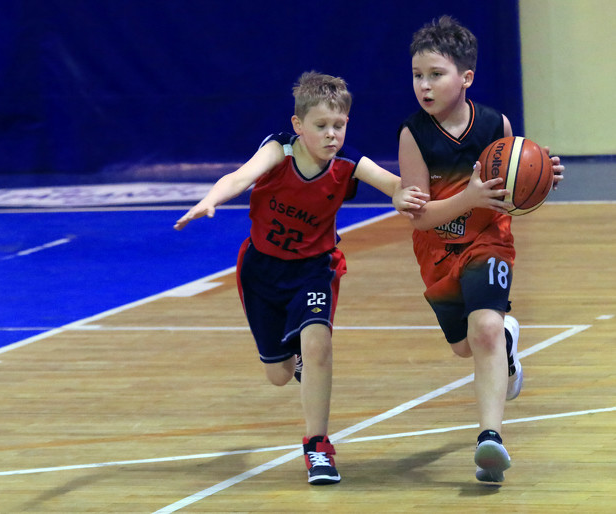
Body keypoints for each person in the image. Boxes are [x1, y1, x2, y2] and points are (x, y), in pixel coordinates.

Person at [175, 71, 428, 485]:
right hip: (262, 271)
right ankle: (296, 363)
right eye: (321, 125)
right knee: (278, 375)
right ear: (298, 125)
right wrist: (211, 199)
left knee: (318, 344)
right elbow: (239, 177)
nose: (331, 134)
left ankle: (317, 447)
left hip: (314, 269)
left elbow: (392, 183)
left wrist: (403, 194)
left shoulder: (348, 164)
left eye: (338, 125)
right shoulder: (279, 150)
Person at [397, 16, 564, 483]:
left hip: (488, 241)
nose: (424, 85)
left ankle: (490, 440)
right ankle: (507, 345)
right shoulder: (413, 134)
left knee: (485, 328)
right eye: (417, 75)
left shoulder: (495, 124)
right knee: (464, 346)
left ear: (466, 77)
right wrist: (468, 197)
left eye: (436, 74)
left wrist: (540, 177)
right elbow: (419, 216)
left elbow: (514, 184)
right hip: (437, 249)